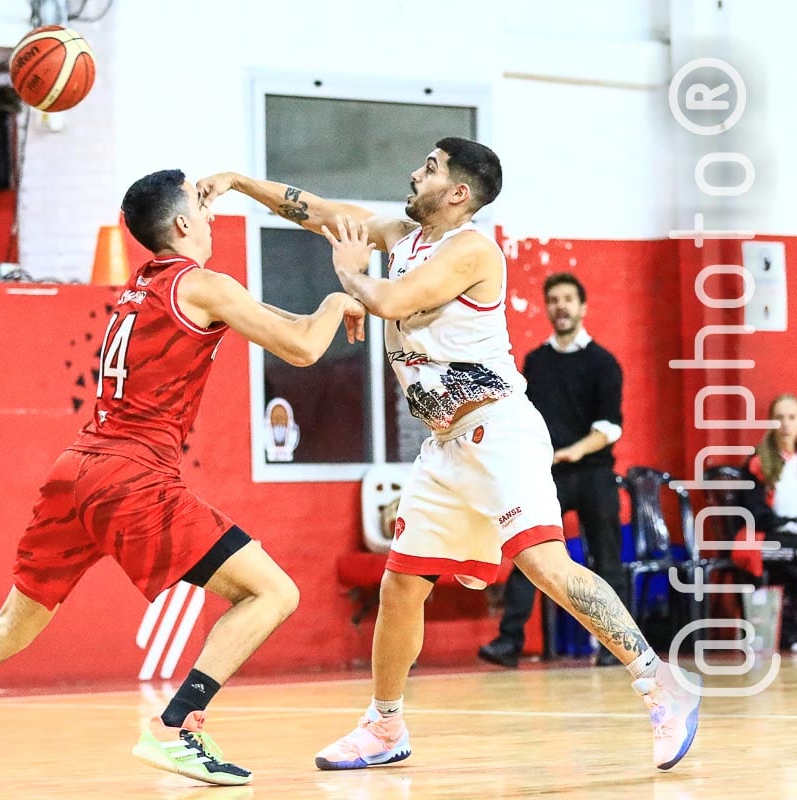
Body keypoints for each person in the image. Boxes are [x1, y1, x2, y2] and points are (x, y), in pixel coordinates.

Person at [197, 137, 701, 772]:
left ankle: (660, 683)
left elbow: (389, 301)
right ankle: (384, 725)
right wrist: (240, 182)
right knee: (401, 585)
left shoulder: (472, 250)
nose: (415, 172)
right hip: (445, 446)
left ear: (458, 192)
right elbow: (319, 211)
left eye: (430, 167)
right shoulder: (403, 236)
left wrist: (351, 277)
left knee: (545, 565)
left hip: (501, 432)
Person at [0, 169, 367, 787]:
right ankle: (177, 727)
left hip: (77, 470)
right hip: (134, 476)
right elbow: (303, 349)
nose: (210, 217)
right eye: (201, 207)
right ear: (183, 224)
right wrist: (338, 298)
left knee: (12, 624)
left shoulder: (143, 286)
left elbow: (257, 316)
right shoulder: (202, 284)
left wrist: (326, 307)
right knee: (273, 593)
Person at [479, 272, 626, 669]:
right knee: (530, 554)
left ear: (582, 307)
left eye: (568, 299)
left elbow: (610, 427)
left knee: (607, 559)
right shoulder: (536, 362)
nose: (561, 306)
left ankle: (616, 646)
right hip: (547, 475)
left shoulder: (603, 363)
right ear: (547, 308)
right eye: (554, 300)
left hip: (594, 473)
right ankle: (509, 642)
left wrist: (572, 452)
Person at [744, 393, 797, 645]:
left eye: (792, 417)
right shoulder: (757, 463)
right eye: (779, 418)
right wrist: (786, 522)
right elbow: (754, 513)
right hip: (768, 536)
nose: (785, 424)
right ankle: (788, 631)